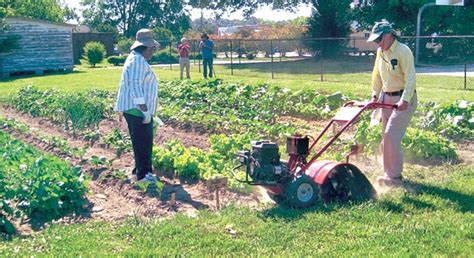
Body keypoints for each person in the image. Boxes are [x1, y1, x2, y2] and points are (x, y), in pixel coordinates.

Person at [367, 21, 417, 186]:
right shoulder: (380, 52)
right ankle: (388, 172)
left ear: (389, 35)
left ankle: (394, 176)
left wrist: (405, 99)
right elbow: (376, 76)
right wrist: (375, 96)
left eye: (379, 39)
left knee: (391, 135)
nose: (378, 43)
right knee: (386, 137)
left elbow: (411, 77)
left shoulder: (403, 51)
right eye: (375, 41)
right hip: (386, 98)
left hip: (403, 98)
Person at [115, 29, 159, 183]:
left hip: (136, 109)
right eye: (152, 48)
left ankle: (139, 169)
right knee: (143, 141)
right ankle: (143, 175)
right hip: (137, 110)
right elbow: (135, 87)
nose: (153, 51)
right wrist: (145, 111)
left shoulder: (136, 58)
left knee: (140, 140)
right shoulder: (137, 61)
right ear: (145, 48)